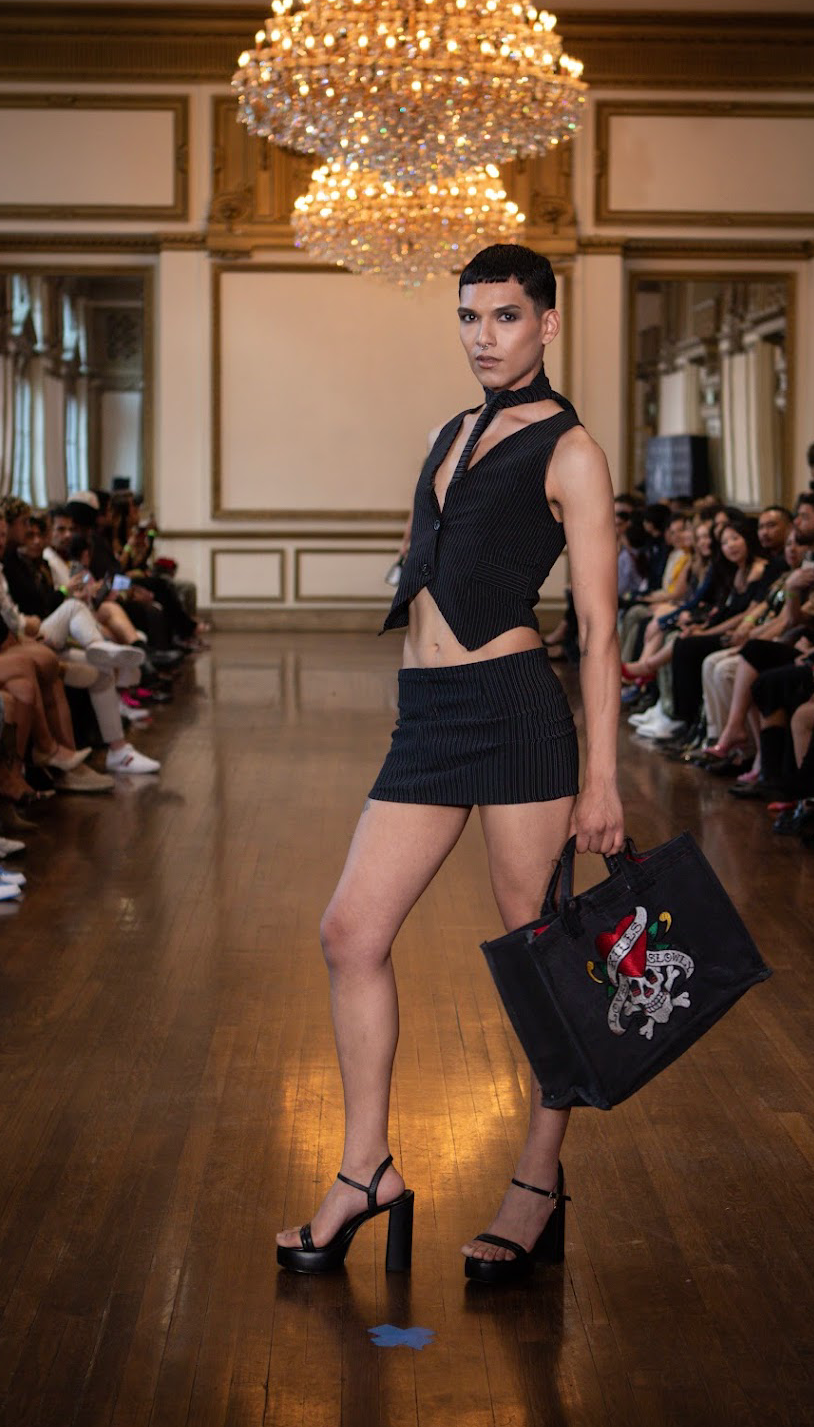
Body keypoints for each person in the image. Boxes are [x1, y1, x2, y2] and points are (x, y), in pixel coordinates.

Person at [275, 244, 624, 1284]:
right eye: (470, 317)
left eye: (506, 316)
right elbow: (422, 561)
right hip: (428, 715)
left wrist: (601, 778)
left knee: (534, 959)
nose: (484, 335)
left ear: (548, 324)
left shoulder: (573, 450)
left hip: (518, 716)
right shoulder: (449, 431)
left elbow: (601, 628)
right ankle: (366, 1166)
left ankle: (536, 1178)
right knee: (350, 931)